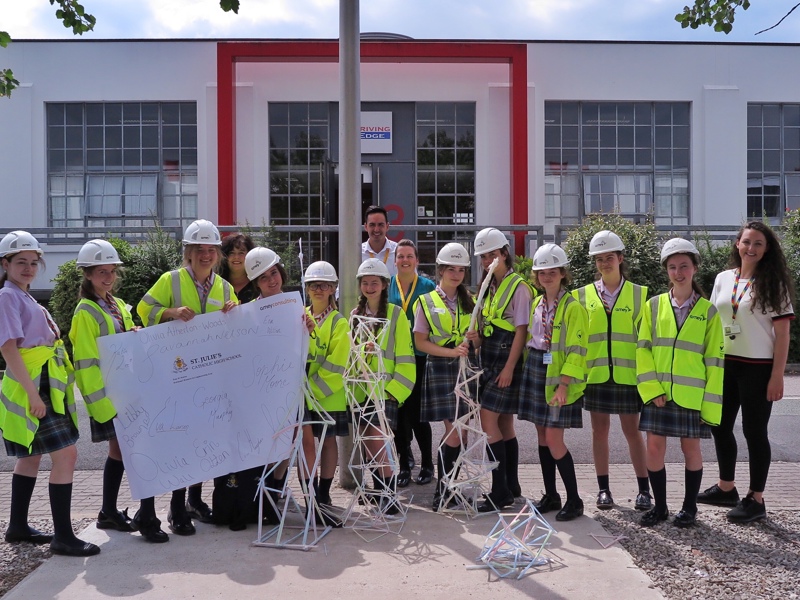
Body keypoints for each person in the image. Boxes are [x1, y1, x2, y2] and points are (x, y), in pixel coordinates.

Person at [0, 231, 100, 557]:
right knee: (67, 455)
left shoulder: (24, 296)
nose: (29, 268)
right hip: (33, 385)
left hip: (39, 383)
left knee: (31, 456)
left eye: (33, 262)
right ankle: (64, 536)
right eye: (20, 263)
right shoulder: (8, 297)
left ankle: (16, 526)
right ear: (6, 264)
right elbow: (8, 348)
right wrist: (32, 395)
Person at [137, 219, 237, 536]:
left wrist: (236, 311)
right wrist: (171, 312)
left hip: (211, 376)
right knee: (182, 440)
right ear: (189, 253)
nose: (206, 255)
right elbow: (144, 308)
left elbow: (237, 328)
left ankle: (194, 499)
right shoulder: (172, 280)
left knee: (203, 440)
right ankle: (177, 508)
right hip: (178, 374)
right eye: (199, 250)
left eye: (211, 250)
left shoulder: (224, 287)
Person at [69, 240, 169, 543]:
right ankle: (147, 517)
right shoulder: (85, 312)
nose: (109, 277)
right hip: (112, 399)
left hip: (125, 393)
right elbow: (85, 365)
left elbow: (123, 343)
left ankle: (108, 512)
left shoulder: (113, 303)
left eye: (112, 271)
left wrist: (135, 332)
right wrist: (103, 408)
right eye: (102, 272)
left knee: (119, 452)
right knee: (138, 451)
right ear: (87, 274)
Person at [697, 221, 795, 523]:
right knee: (720, 426)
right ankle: (727, 488)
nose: (751, 248)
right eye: (746, 242)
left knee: (754, 432)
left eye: (758, 244)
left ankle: (756, 498)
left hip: (758, 368)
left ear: (766, 250)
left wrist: (777, 376)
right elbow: (713, 323)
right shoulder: (724, 278)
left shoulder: (772, 283)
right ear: (737, 244)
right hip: (726, 364)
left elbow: (783, 334)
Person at [636, 238, 723, 528]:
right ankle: (660, 508)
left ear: (695, 268)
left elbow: (714, 361)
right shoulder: (653, 306)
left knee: (692, 450)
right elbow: (643, 350)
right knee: (654, 449)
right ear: (667, 271)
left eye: (684, 266)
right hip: (659, 394)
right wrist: (651, 390)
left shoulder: (709, 312)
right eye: (672, 267)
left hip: (691, 396)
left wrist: (708, 405)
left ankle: (689, 509)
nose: (678, 272)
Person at [573, 230, 651, 511]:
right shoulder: (580, 296)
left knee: (633, 432)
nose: (605, 263)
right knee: (599, 432)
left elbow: (646, 339)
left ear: (620, 258)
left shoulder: (640, 295)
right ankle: (603, 489)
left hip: (628, 376)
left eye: (610, 257)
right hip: (595, 375)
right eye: (599, 259)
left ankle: (645, 490)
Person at [519, 244, 588, 521]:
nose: (546, 277)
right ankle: (552, 495)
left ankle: (575, 499)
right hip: (537, 368)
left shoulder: (573, 307)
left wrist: (563, 384)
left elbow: (576, 350)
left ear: (562, 273)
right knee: (541, 436)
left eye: (552, 271)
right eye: (541, 272)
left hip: (559, 378)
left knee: (553, 439)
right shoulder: (537, 302)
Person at [412, 243, 475, 511]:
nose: (456, 274)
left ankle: (449, 487)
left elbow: (477, 340)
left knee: (462, 433)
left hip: (466, 369)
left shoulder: (470, 299)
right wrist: (451, 352)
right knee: (454, 432)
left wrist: (475, 339)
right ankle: (443, 491)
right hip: (441, 367)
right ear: (440, 270)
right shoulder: (426, 301)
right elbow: (420, 342)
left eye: (461, 270)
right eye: (451, 269)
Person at [472, 227, 531, 512]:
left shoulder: (518, 286)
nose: (487, 261)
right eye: (483, 257)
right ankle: (511, 485)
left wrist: (509, 368)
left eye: (492, 255)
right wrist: (478, 338)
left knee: (488, 420)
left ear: (504, 253)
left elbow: (521, 331)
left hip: (506, 359)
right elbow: (491, 325)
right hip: (490, 356)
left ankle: (500, 491)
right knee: (504, 424)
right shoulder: (489, 286)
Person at [351, 258, 416, 514]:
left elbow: (405, 359)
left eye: (374, 282)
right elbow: (351, 356)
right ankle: (377, 491)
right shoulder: (355, 316)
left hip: (385, 392)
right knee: (368, 444)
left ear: (383, 285)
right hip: (359, 391)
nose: (369, 287)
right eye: (365, 283)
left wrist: (394, 392)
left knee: (381, 443)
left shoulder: (396, 315)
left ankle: (389, 495)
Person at [301, 261, 350, 528]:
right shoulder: (299, 314)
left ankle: (323, 492)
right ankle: (311, 494)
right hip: (304, 393)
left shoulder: (338, 322)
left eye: (324, 285)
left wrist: (313, 390)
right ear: (307, 288)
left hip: (327, 393)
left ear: (333, 289)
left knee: (327, 443)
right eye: (314, 285)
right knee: (307, 447)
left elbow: (336, 363)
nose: (319, 289)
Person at [388, 239, 436, 487]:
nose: (405, 260)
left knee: (419, 417)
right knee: (398, 417)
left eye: (409, 256)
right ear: (394, 261)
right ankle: (404, 465)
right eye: (400, 256)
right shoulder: (388, 287)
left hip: (420, 359)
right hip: (395, 361)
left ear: (416, 260)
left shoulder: (428, 287)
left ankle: (428, 463)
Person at [361, 205, 398, 277]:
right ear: (366, 227)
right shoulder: (356, 254)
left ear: (387, 227)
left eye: (380, 225)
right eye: (372, 225)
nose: (376, 229)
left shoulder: (399, 252)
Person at [220, 233, 257, 304]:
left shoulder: (258, 284)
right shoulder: (217, 283)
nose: (236, 257)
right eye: (231, 253)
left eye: (241, 253)